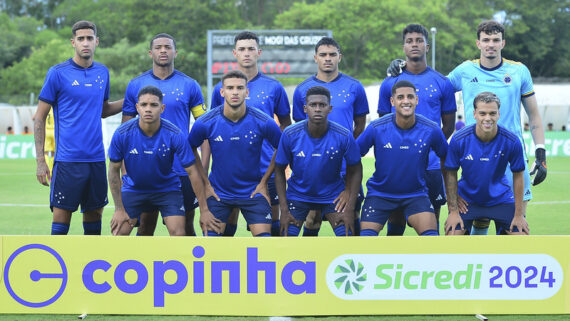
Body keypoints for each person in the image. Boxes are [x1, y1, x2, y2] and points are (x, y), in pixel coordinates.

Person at [387, 20, 546, 235]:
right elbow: (433, 88)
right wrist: (405, 68)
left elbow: (534, 116)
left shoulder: (519, 71)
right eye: (486, 40)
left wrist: (540, 151)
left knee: (516, 224)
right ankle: (477, 267)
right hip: (474, 156)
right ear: (478, 43)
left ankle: (503, 265)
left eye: (496, 40)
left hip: (510, 155)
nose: (491, 44)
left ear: (503, 43)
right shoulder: (465, 70)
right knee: (477, 221)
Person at [34, 20, 123, 235]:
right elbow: (39, 118)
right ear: (73, 42)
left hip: (96, 160)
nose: (85, 43)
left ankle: (88, 268)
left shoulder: (102, 72)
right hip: (67, 161)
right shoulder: (57, 73)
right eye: (81, 39)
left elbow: (103, 110)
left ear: (97, 42)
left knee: (94, 220)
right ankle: (57, 267)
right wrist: (40, 161)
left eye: (89, 38)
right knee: (61, 220)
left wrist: (132, 100)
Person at [116, 33, 208, 237]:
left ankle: (188, 267)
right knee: (146, 225)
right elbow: (125, 132)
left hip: (181, 169)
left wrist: (204, 170)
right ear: (151, 53)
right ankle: (142, 267)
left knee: (186, 226)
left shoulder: (190, 84)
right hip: (144, 167)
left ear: (176, 52)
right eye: (158, 47)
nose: (163, 50)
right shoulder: (135, 84)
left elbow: (203, 129)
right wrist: (125, 171)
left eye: (168, 47)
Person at [377, 24, 456, 236]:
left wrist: (430, 146)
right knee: (396, 217)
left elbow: (448, 124)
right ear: (403, 47)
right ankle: (393, 265)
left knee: (431, 218)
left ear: (427, 46)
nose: (414, 44)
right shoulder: (389, 83)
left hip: (430, 164)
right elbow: (382, 124)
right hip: (397, 163)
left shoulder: (442, 82)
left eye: (419, 41)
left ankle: (432, 264)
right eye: (410, 41)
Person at [211, 31, 292, 236]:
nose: (246, 53)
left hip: (266, 169)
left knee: (272, 226)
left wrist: (280, 162)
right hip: (229, 171)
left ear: (259, 52)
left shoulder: (274, 86)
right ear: (234, 53)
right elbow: (212, 128)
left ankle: (274, 266)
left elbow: (285, 126)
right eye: (242, 49)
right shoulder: (220, 89)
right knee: (225, 226)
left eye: (250, 49)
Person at [108, 86, 213, 236]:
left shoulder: (175, 134)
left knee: (179, 234)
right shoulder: (122, 133)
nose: (148, 109)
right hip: (134, 189)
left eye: (154, 105)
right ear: (137, 107)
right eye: (144, 105)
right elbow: (113, 170)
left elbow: (192, 172)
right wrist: (119, 209)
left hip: (167, 190)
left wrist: (204, 210)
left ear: (162, 108)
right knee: (120, 233)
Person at [189, 70, 282, 237]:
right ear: (222, 92)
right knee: (211, 246)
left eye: (240, 88)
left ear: (246, 92)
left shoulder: (263, 121)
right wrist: (206, 184)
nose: (235, 92)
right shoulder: (206, 122)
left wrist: (264, 182)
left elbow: (282, 148)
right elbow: (190, 148)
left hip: (253, 192)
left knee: (266, 244)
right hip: (218, 193)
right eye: (230, 88)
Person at [292, 37, 369, 236]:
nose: (328, 59)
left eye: (332, 55)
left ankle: (355, 261)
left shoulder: (355, 86)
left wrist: (349, 153)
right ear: (315, 58)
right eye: (323, 55)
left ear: (339, 57)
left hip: (345, 168)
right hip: (314, 167)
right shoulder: (302, 89)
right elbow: (302, 128)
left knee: (350, 215)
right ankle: (311, 263)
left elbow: (360, 124)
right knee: (312, 217)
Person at [357, 80, 448, 236]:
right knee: (365, 241)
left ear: (416, 100)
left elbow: (448, 159)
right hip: (380, 194)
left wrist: (453, 204)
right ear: (392, 101)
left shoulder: (431, 129)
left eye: (410, 97)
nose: (406, 101)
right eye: (400, 97)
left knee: (432, 240)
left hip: (416, 194)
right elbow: (352, 157)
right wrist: (349, 191)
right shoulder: (376, 127)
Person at [275, 86, 362, 237]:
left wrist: (349, 203)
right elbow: (279, 170)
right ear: (305, 109)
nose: (317, 109)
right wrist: (284, 209)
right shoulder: (290, 134)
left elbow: (356, 169)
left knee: (348, 236)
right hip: (298, 195)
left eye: (322, 105)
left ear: (330, 108)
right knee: (286, 240)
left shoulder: (343, 135)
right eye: (313, 105)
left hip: (332, 195)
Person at [444, 92, 528, 235]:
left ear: (499, 114)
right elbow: (450, 173)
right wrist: (453, 210)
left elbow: (518, 175)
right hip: (467, 201)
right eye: (483, 113)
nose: (488, 118)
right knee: (453, 234)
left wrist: (519, 215)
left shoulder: (511, 141)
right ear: (474, 113)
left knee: (520, 235)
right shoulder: (459, 139)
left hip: (500, 199)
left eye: (492, 113)